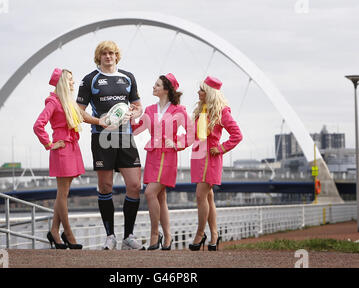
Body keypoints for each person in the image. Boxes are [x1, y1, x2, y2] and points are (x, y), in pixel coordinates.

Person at [76, 41, 144, 250]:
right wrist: (99, 121)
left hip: (125, 137)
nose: (108, 56)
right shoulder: (90, 80)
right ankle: (110, 236)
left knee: (134, 185)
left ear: (117, 56)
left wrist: (134, 113)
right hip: (101, 137)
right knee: (105, 186)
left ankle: (128, 236)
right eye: (104, 53)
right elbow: (79, 111)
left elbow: (138, 107)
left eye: (112, 53)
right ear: (99, 56)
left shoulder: (128, 77)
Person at [34, 68, 104, 249]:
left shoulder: (68, 102)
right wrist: (49, 144)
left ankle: (55, 231)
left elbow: (83, 116)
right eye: (71, 80)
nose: (74, 83)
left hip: (71, 146)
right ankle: (68, 234)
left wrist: (101, 121)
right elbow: (38, 125)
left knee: (63, 193)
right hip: (62, 148)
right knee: (62, 193)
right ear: (64, 82)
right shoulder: (53, 102)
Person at [131, 73, 192, 250]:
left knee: (150, 193)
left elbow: (191, 133)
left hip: (168, 155)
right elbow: (135, 130)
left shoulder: (179, 110)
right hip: (152, 156)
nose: (153, 87)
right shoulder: (149, 110)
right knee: (160, 197)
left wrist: (177, 143)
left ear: (166, 89)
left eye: (157, 85)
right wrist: (133, 116)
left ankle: (154, 234)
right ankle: (168, 236)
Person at [189, 76, 242, 251]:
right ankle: (214, 235)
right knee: (208, 197)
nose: (198, 92)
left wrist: (221, 148)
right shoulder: (201, 110)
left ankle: (200, 234)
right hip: (198, 156)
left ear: (209, 93)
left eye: (202, 89)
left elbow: (237, 135)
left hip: (210, 158)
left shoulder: (222, 111)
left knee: (200, 196)